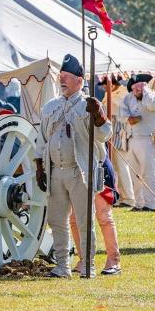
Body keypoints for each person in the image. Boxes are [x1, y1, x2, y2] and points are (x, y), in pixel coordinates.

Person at [35, 54, 112, 278]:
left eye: (67, 77)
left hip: (81, 171)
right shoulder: (50, 108)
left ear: (79, 80)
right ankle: (62, 266)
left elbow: (105, 135)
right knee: (57, 220)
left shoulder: (89, 106)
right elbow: (41, 140)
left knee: (84, 220)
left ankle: (88, 265)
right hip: (55, 171)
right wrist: (39, 166)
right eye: (61, 76)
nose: (62, 81)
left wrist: (97, 115)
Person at [119, 74, 155, 212]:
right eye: (134, 88)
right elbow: (124, 117)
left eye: (140, 88)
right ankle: (139, 203)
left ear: (145, 86)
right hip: (131, 139)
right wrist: (135, 118)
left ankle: (150, 204)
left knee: (148, 173)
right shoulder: (129, 98)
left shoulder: (151, 97)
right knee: (135, 174)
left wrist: (146, 94)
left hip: (147, 139)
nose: (136, 91)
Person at [70, 155, 122, 275]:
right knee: (74, 219)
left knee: (104, 217)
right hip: (75, 170)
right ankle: (84, 260)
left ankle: (114, 261)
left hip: (98, 166)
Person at [100, 75, 135, 207]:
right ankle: (121, 196)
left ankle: (129, 198)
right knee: (115, 166)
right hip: (112, 132)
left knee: (122, 166)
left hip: (121, 132)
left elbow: (116, 108)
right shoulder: (109, 93)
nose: (104, 87)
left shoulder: (122, 93)